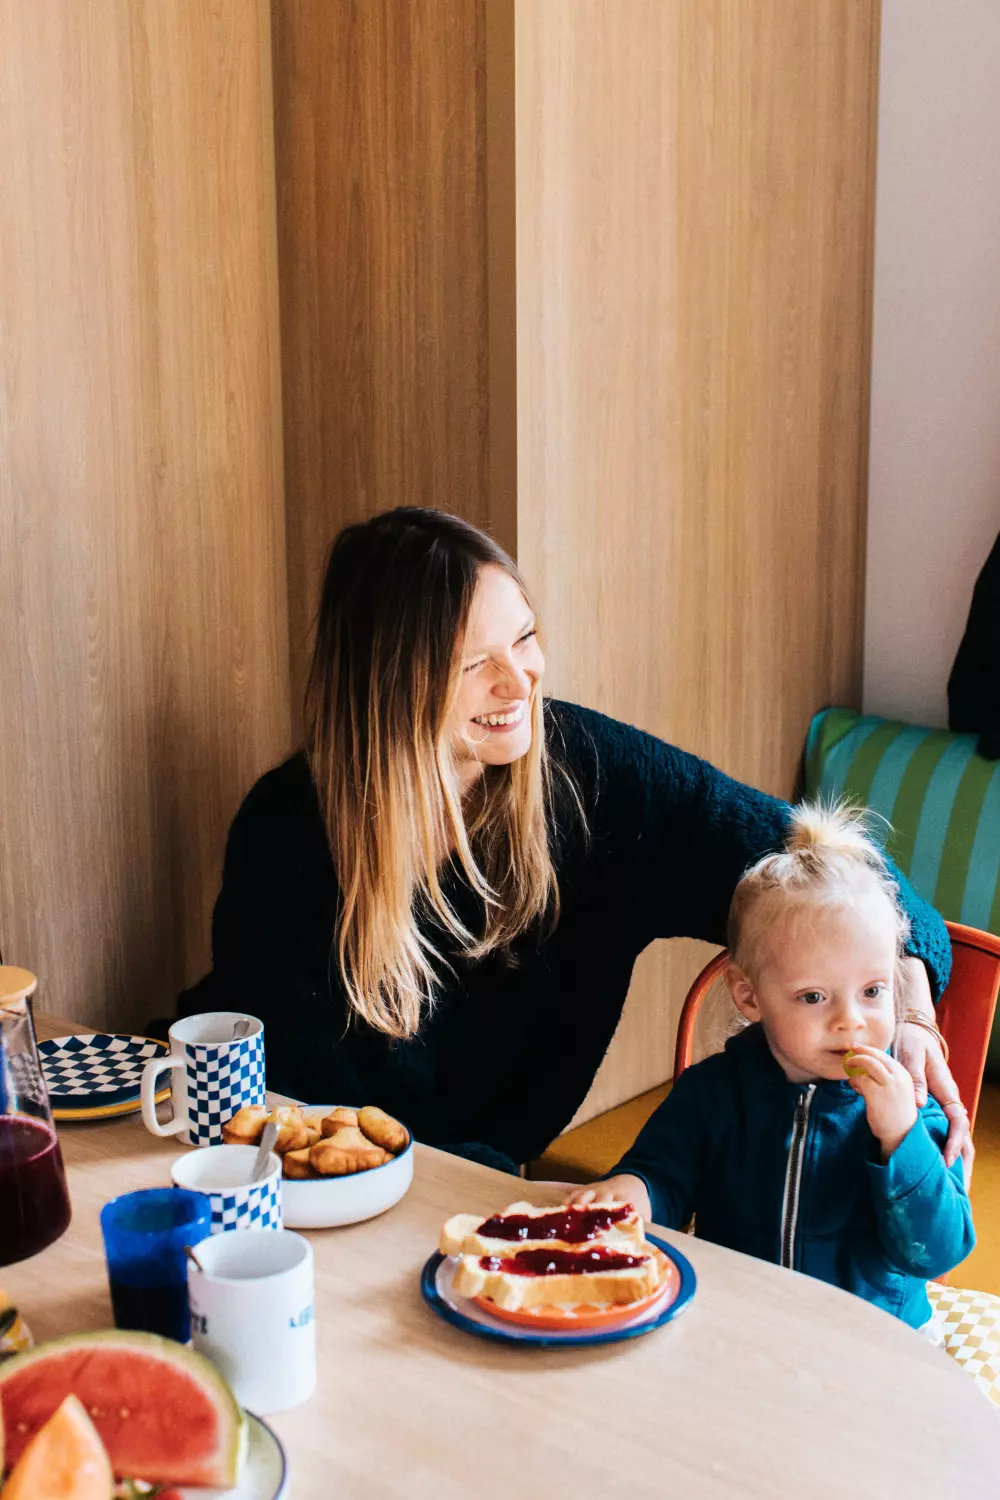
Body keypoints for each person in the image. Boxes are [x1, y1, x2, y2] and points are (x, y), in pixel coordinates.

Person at [179, 507, 968, 1174]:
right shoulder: (286, 836)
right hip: (311, 1184)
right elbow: (305, 1122)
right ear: (388, 687)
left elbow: (847, 879)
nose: (521, 682)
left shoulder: (587, 775)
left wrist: (908, 1006)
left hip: (485, 1192)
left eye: (524, 640)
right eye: (473, 665)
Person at [565, 804, 974, 1336]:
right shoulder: (712, 1094)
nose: (851, 1021)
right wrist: (629, 1194)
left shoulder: (911, 1108)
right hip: (739, 1325)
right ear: (750, 996)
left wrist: (899, 1140)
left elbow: (937, 1252)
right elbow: (663, 1180)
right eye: (813, 996)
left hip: (875, 1345)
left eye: (873, 991)